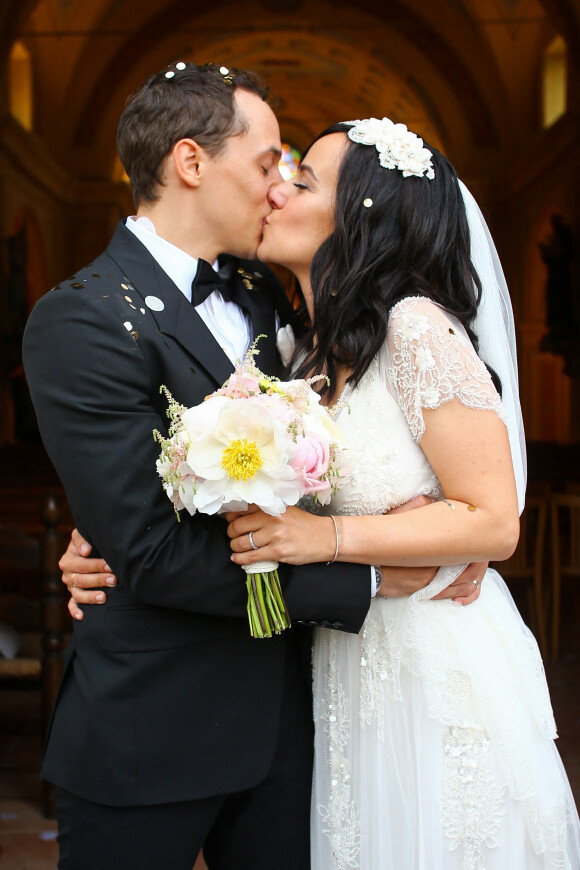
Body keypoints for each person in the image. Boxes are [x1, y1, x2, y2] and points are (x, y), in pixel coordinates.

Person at [23, 63, 481, 870]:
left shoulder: (273, 300)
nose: (279, 186)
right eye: (271, 161)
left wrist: (430, 520)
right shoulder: (81, 319)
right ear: (192, 163)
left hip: (294, 733)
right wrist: (372, 576)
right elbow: (155, 552)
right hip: (151, 730)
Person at [221, 122, 580, 868]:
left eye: (305, 179)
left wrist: (331, 539)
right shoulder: (302, 356)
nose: (277, 188)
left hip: (434, 663)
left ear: (363, 216)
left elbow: (492, 520)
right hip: (345, 665)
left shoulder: (416, 329)